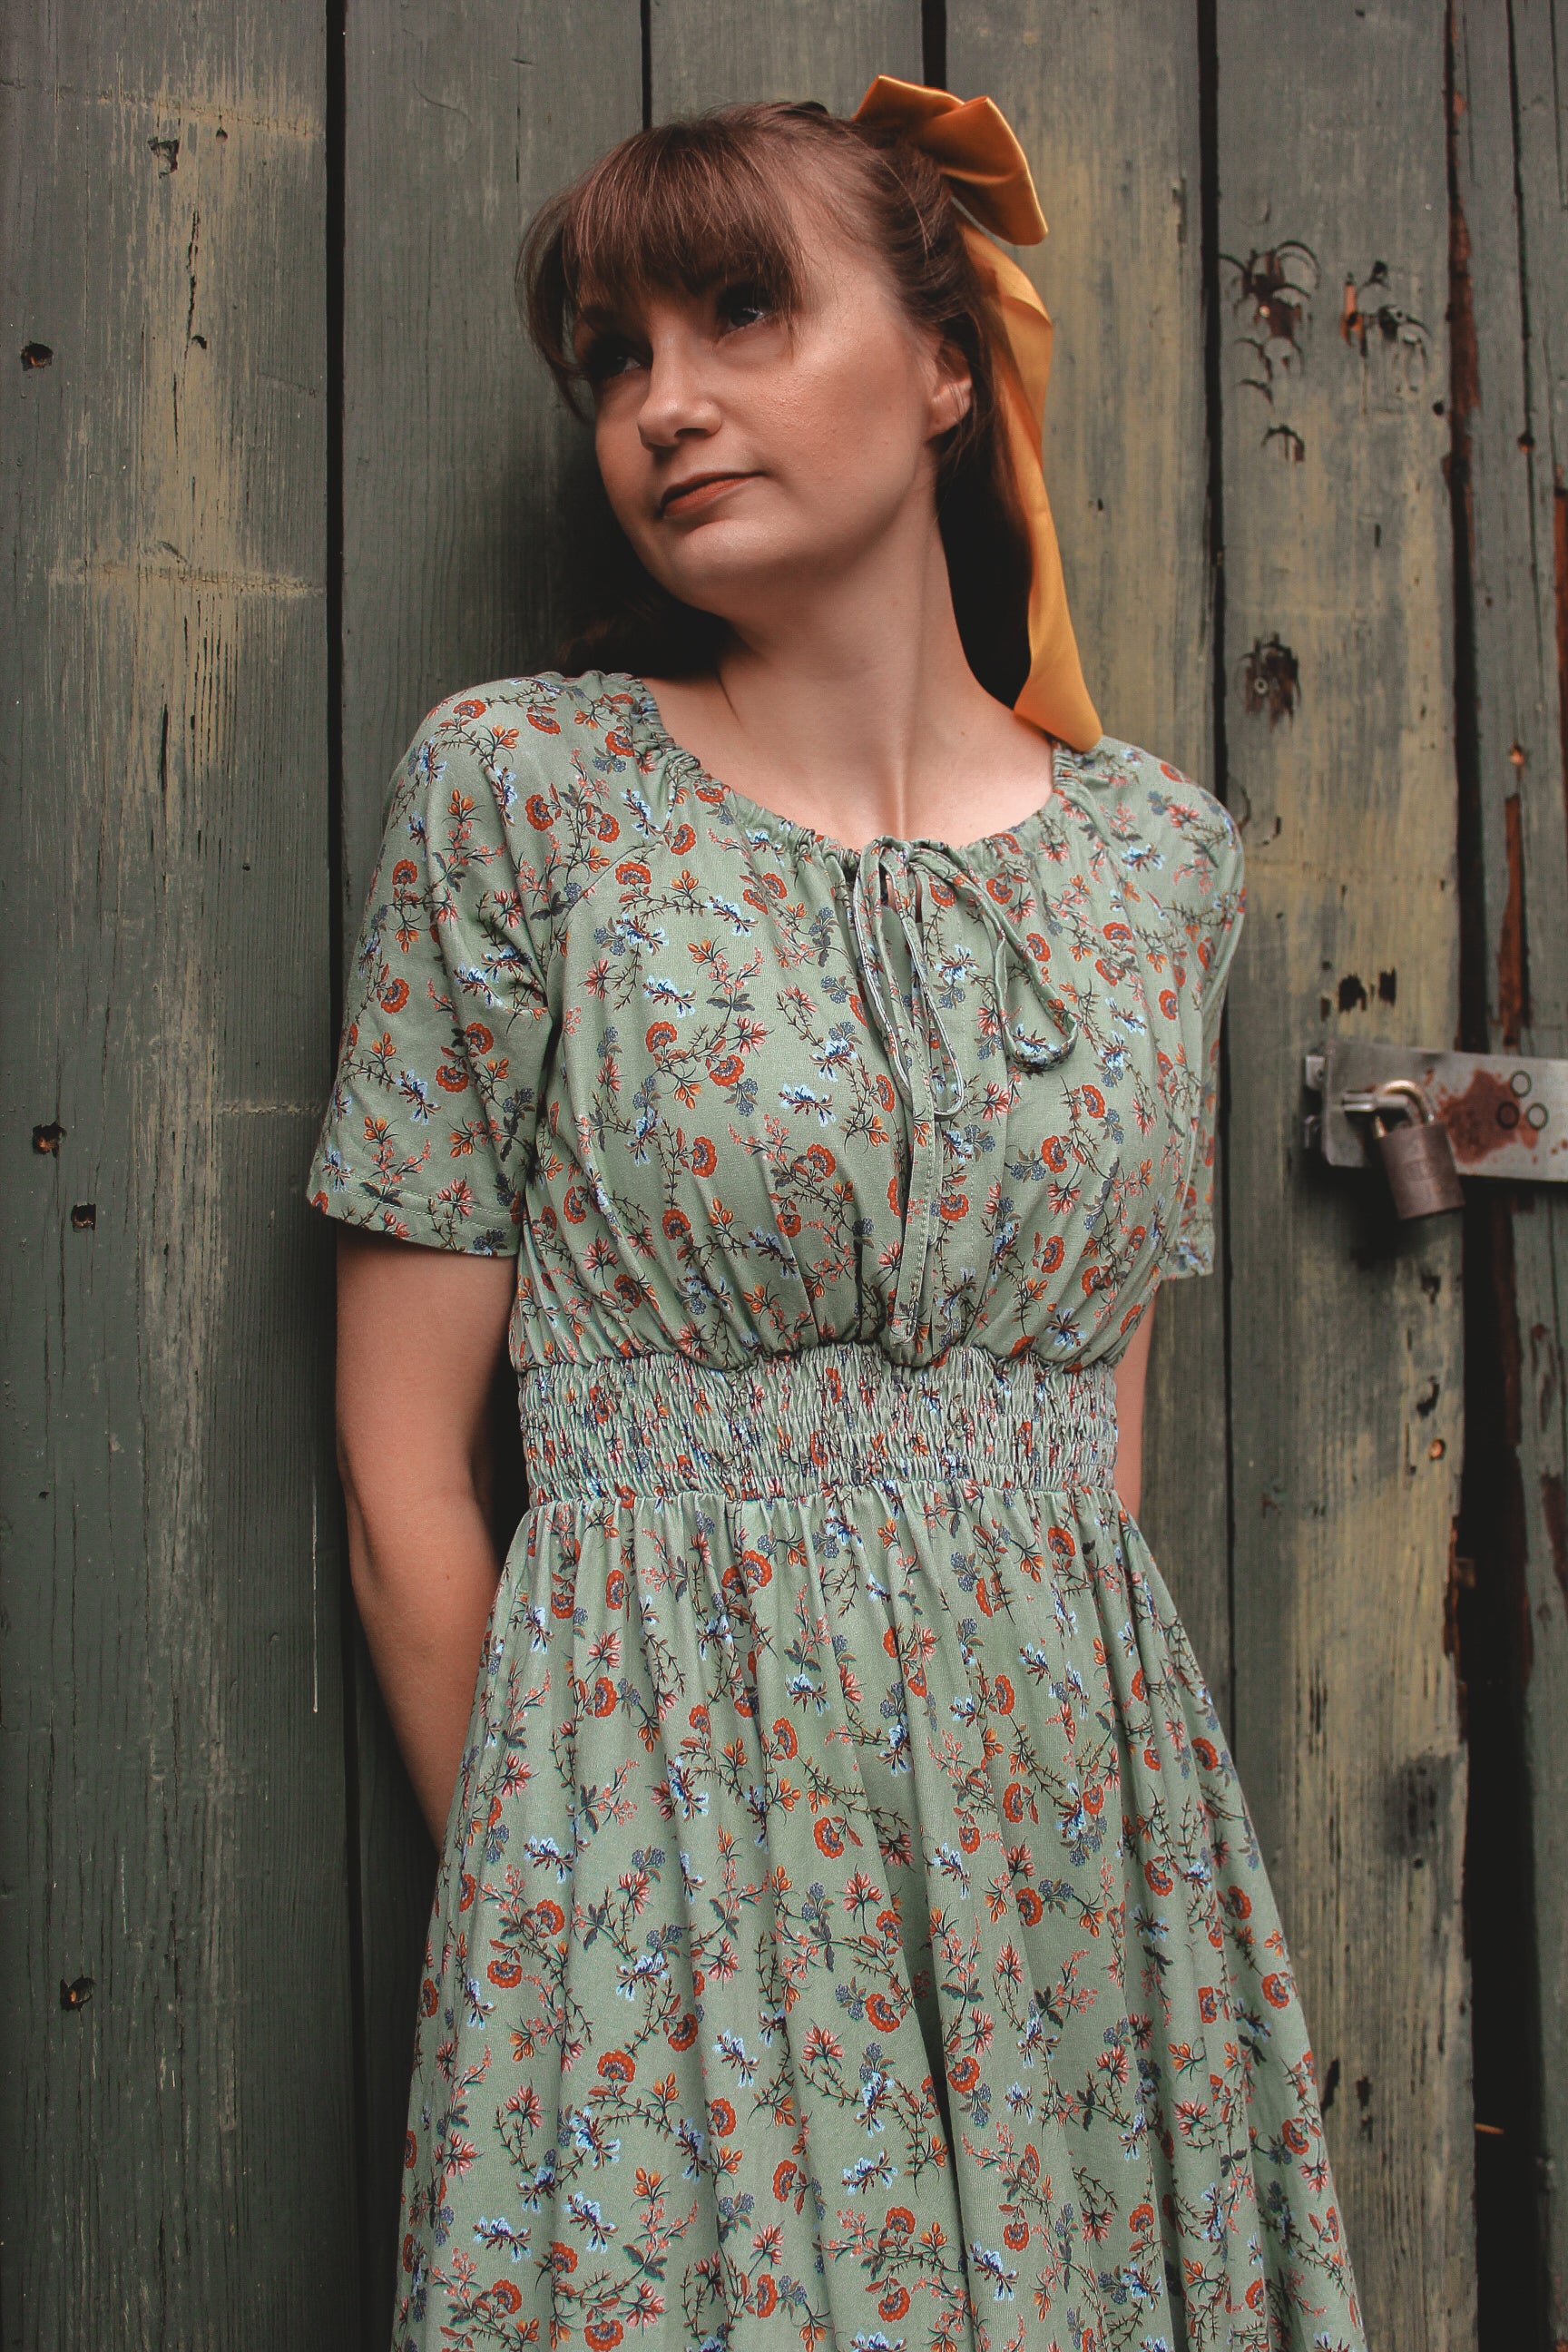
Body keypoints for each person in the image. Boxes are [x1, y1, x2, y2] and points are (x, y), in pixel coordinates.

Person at [310, 74, 1366, 2352]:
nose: (663, 404)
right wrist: (570, 1906)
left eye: (741, 314)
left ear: (952, 361)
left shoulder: (1160, 864)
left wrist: (1033, 1882)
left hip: (1070, 1869)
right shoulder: (525, 794)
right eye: (615, 358)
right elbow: (410, 1476)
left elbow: (1095, 1444)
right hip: (640, 1847)